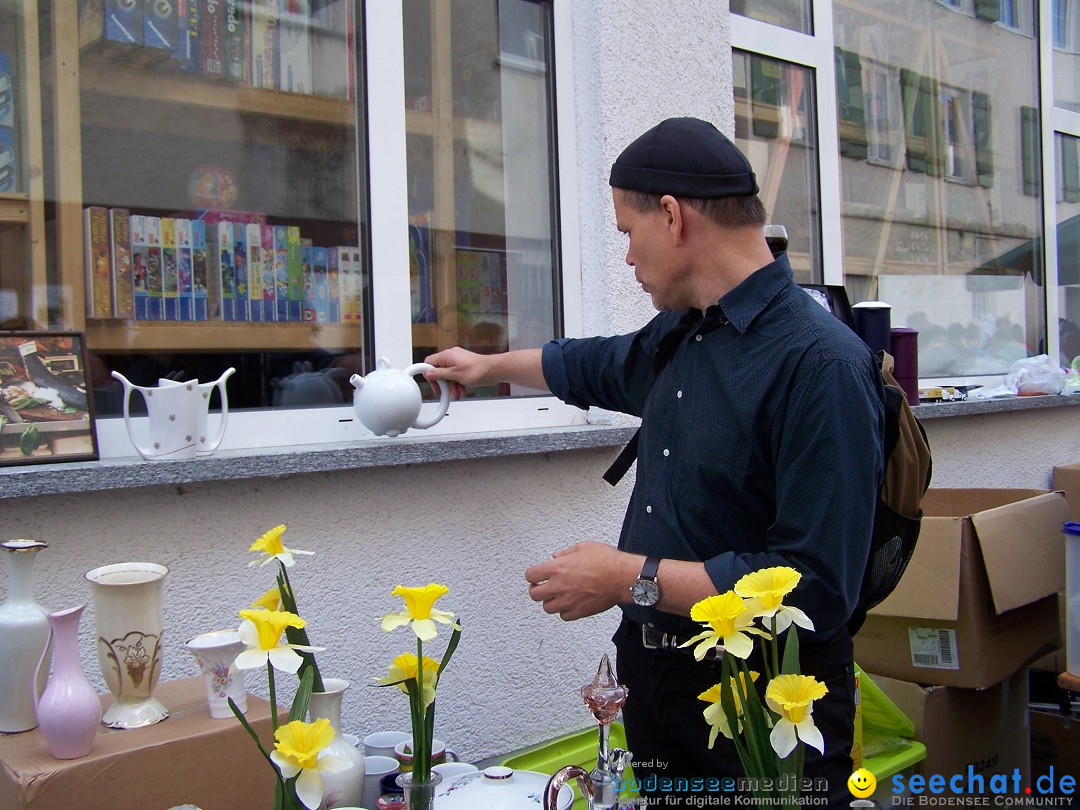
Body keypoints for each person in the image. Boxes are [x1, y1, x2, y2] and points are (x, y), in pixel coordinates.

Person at [424, 117, 884, 807]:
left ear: (672, 217)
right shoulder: (688, 332)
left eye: (626, 233)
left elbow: (813, 589)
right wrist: (488, 365)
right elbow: (595, 363)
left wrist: (623, 577)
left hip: (765, 714)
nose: (629, 257)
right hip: (661, 692)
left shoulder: (820, 366)